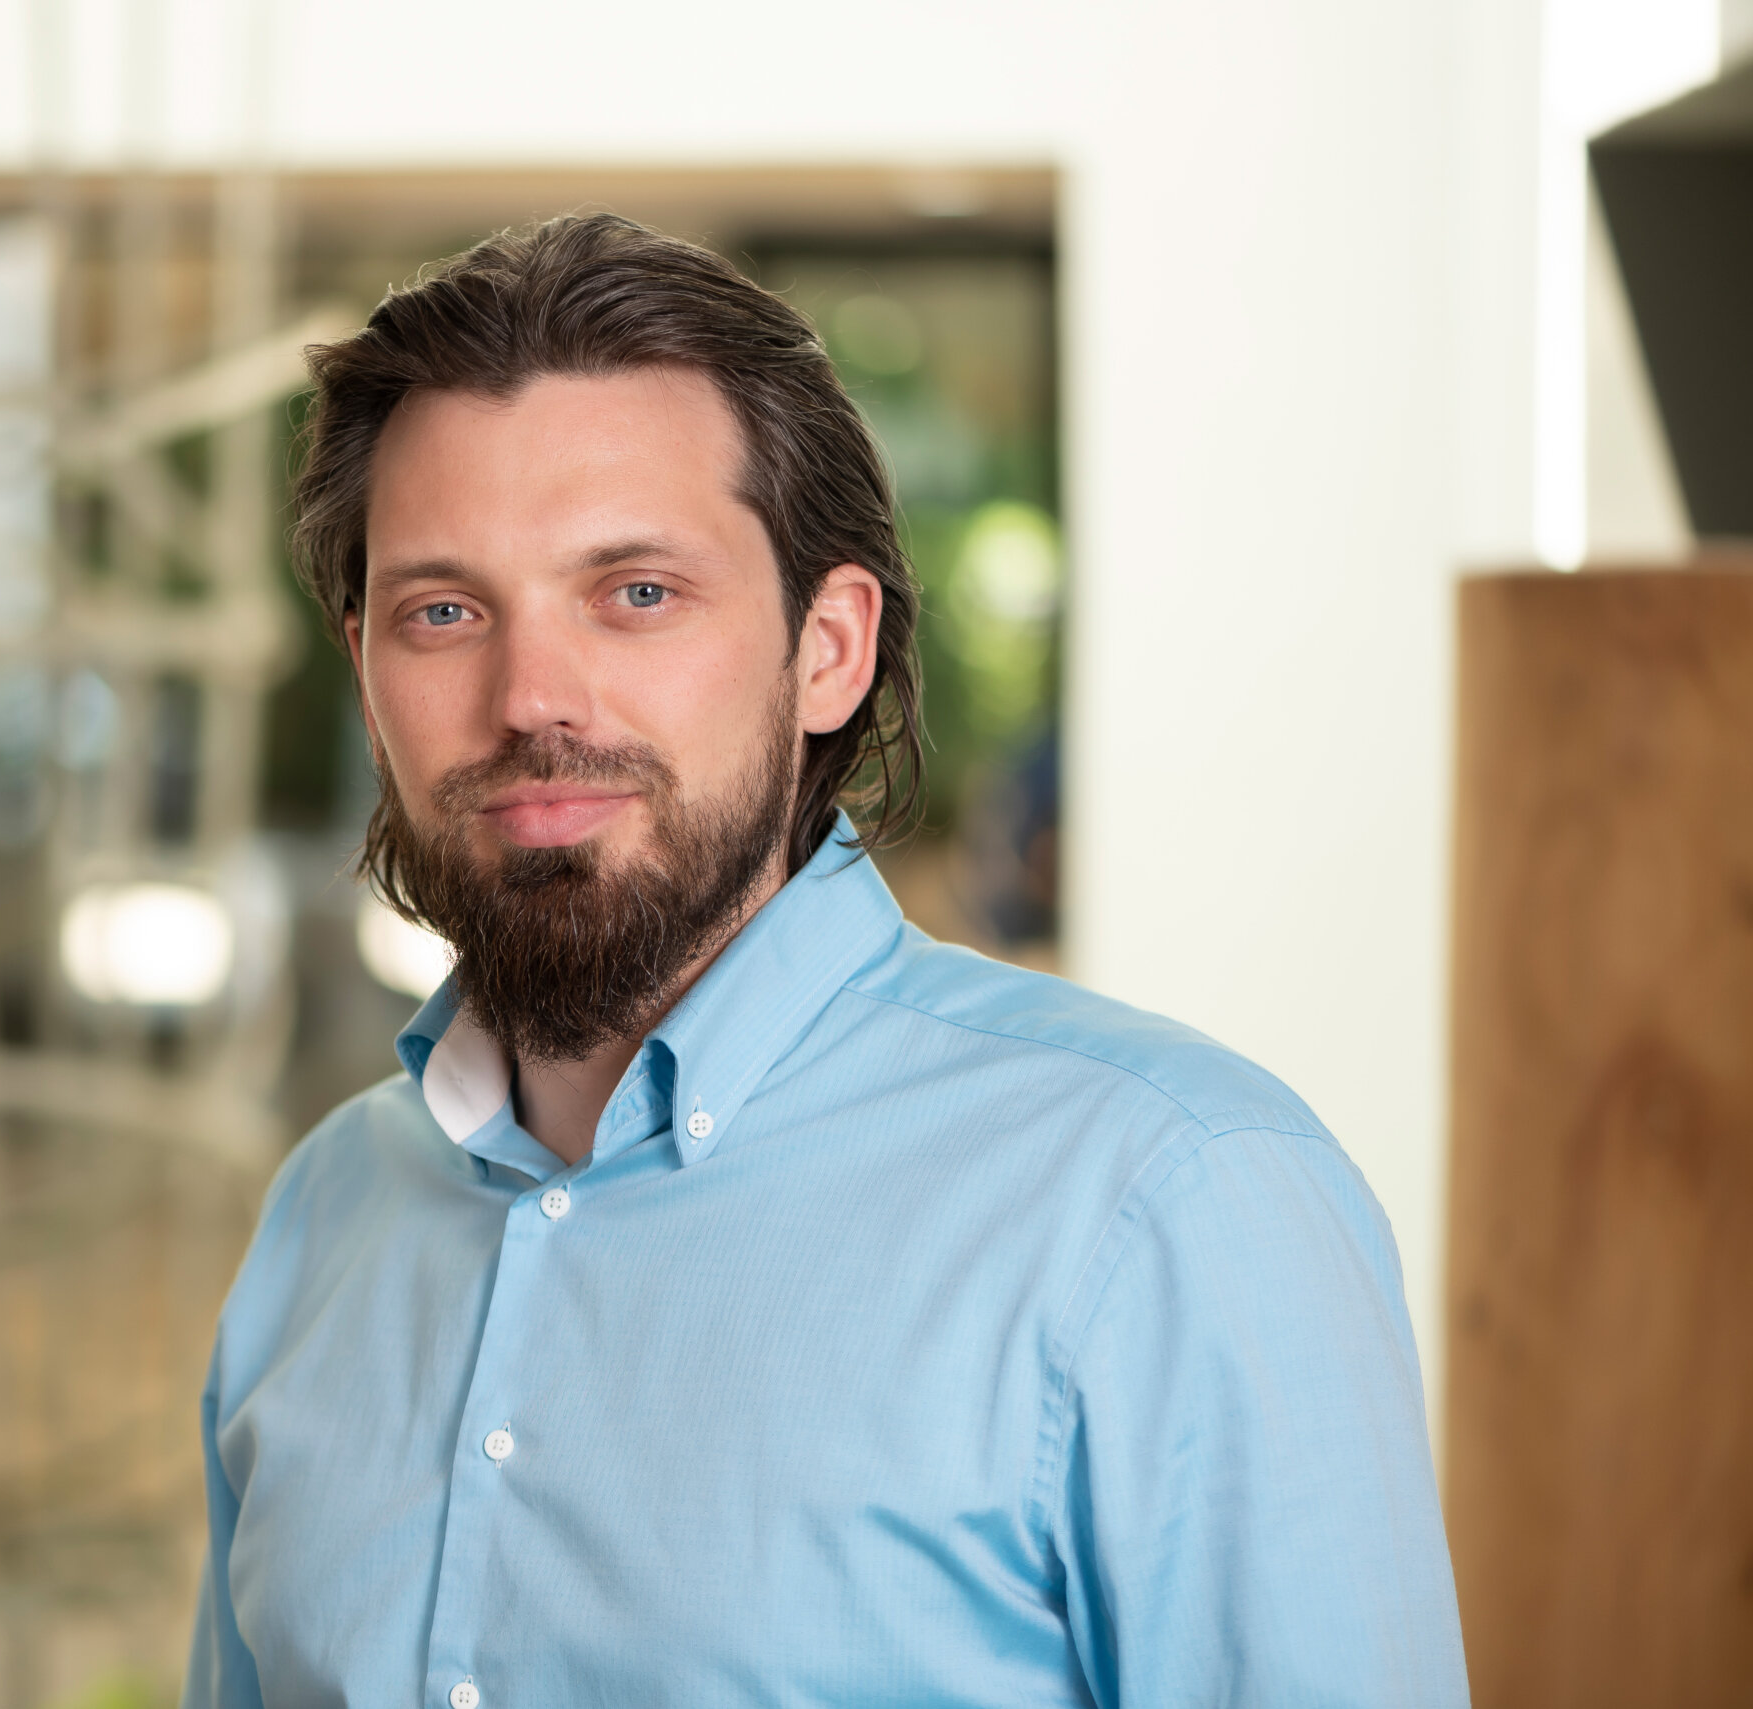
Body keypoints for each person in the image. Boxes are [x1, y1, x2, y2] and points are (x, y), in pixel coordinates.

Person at [183, 213, 1467, 1708]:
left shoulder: (1174, 1202)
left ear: (829, 650)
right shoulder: (326, 1214)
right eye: (445, 611)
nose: (531, 696)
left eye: (637, 593)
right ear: (366, 674)